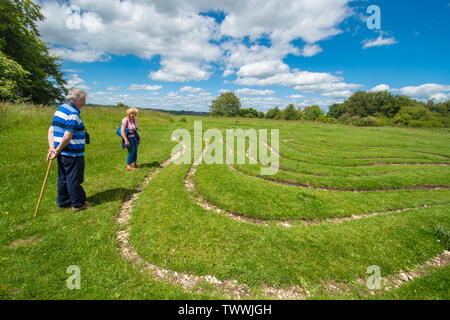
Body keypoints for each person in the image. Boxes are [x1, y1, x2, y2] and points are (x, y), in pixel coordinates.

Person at [47, 88, 94, 212]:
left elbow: (51, 130)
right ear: (74, 99)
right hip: (73, 152)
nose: (85, 103)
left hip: (61, 151)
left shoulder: (61, 109)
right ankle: (78, 204)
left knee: (63, 176)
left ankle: (63, 201)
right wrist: (56, 150)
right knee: (74, 178)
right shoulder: (73, 113)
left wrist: (53, 148)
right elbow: (67, 136)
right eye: (83, 100)